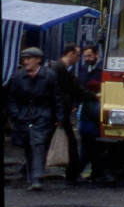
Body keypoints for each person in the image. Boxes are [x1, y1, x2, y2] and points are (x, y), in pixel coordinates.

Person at [6, 48, 64, 190]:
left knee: (38, 143)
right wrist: (16, 114)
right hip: (24, 116)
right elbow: (11, 97)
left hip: (43, 115)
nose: (25, 62)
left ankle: (37, 178)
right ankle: (32, 176)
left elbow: (57, 97)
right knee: (28, 144)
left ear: (38, 60)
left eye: (29, 58)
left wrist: (59, 117)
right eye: (24, 59)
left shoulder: (49, 75)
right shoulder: (18, 76)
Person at [53, 43, 94, 183]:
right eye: (77, 56)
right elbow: (64, 92)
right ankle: (72, 176)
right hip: (59, 114)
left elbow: (76, 91)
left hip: (61, 113)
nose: (78, 59)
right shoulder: (59, 70)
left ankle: (73, 174)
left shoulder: (63, 70)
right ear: (70, 54)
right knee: (70, 144)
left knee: (62, 142)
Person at [77, 44, 109, 182]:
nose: (87, 58)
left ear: (97, 54)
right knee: (91, 146)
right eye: (85, 56)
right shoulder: (84, 69)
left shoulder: (103, 70)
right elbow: (80, 88)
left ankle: (94, 172)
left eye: (89, 55)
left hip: (96, 108)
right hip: (86, 108)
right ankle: (96, 173)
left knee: (92, 146)